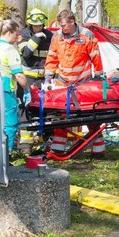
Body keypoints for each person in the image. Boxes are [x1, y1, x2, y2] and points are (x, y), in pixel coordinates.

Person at [44, 10, 105, 154]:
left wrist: (97, 76)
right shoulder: (57, 37)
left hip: (83, 82)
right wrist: (48, 77)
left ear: (72, 22)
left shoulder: (86, 35)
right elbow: (52, 57)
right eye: (60, 24)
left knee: (90, 115)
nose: (61, 27)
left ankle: (98, 149)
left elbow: (95, 56)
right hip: (62, 82)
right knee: (61, 116)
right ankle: (58, 149)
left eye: (64, 24)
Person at [0, 19, 31, 155]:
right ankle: (6, 155)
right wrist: (27, 90)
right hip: (5, 89)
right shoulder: (10, 50)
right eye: (16, 34)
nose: (18, 37)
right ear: (9, 33)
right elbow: (19, 76)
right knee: (10, 124)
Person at [19, 8, 53, 86]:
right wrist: (36, 38)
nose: (38, 28)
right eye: (35, 26)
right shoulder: (23, 34)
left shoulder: (49, 35)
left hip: (44, 79)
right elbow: (26, 53)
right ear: (31, 24)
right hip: (28, 79)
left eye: (40, 26)